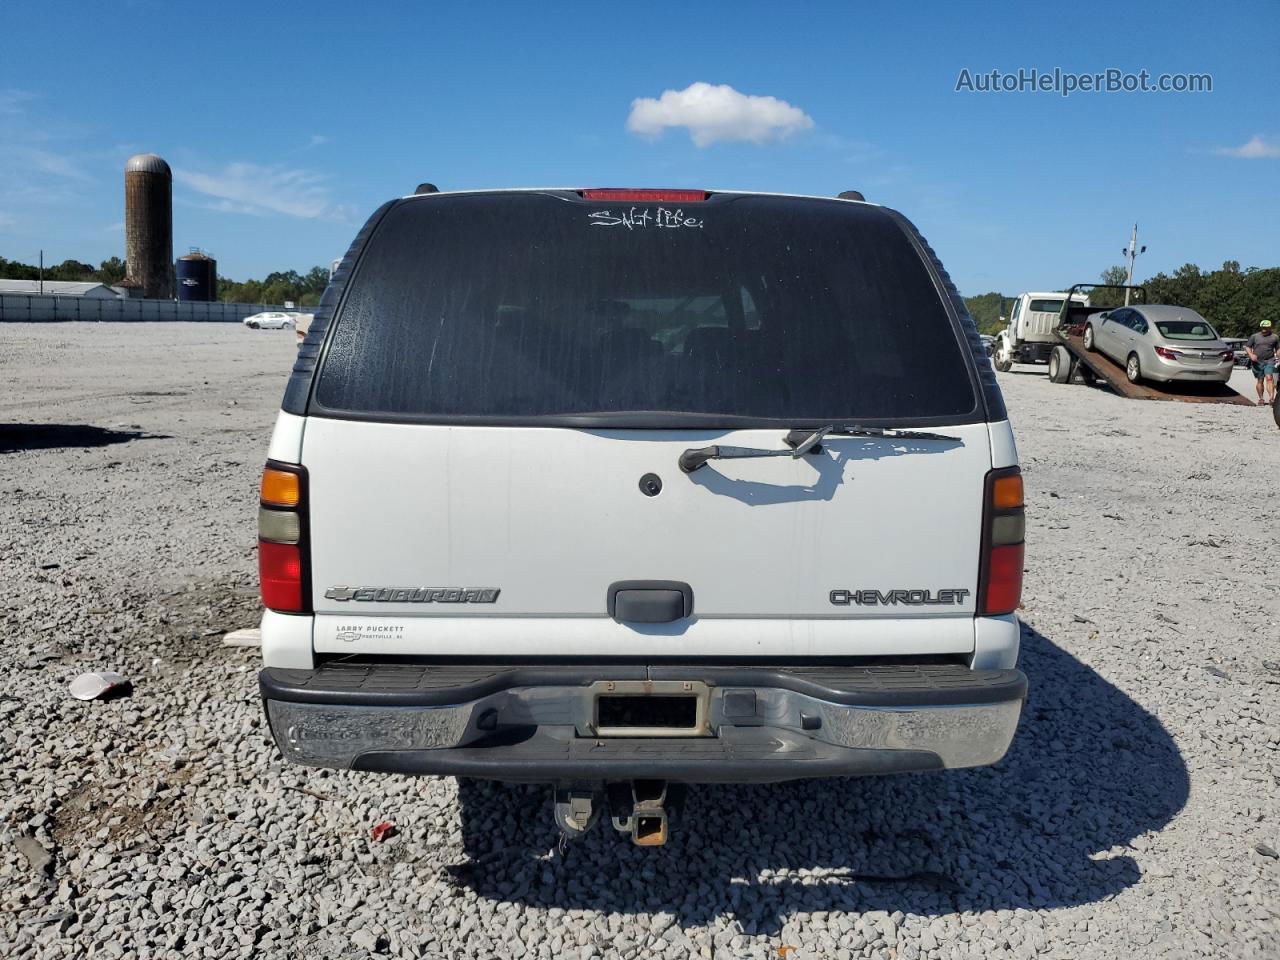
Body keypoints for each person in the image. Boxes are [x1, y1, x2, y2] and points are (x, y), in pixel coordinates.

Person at [1246, 318, 1279, 406]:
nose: (1264, 329)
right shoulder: (1254, 336)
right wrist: (1251, 355)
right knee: (1260, 380)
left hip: (1269, 360)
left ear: (1270, 327)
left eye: (1266, 327)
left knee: (1269, 378)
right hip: (1257, 362)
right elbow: (1248, 347)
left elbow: (1278, 348)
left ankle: (1271, 399)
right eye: (1263, 327)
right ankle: (1261, 399)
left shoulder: (1274, 337)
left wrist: (1279, 355)